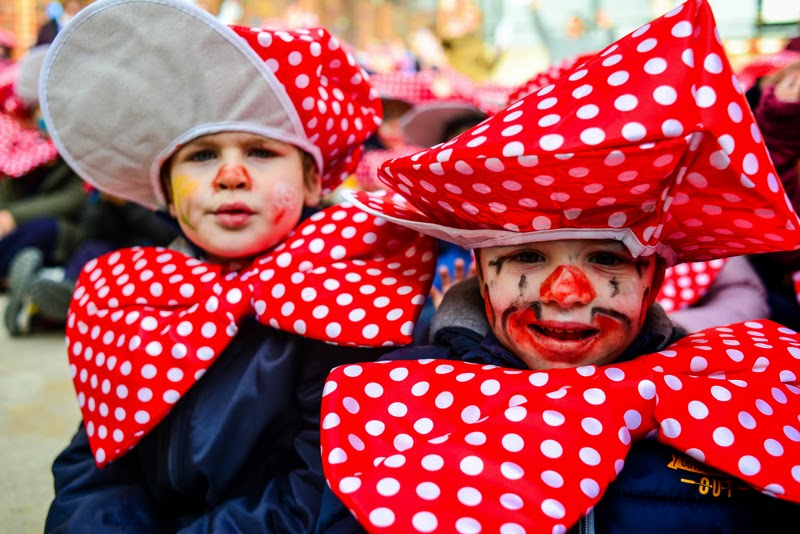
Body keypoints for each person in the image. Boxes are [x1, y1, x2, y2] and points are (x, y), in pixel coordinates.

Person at [316, 1, 800, 532]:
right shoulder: (403, 406)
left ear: (653, 279)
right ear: (482, 273)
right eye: (526, 255)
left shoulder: (729, 395)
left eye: (606, 259)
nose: (566, 292)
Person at [39, 0, 436, 531]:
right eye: (202, 155)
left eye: (261, 152)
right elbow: (98, 463)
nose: (231, 175)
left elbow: (326, 492)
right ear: (167, 192)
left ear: (312, 181)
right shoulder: (138, 302)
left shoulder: (355, 300)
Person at [1, 44, 86, 335]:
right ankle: (26, 287)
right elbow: (7, 191)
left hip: (64, 233)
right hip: (19, 234)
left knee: (43, 229)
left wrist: (13, 215)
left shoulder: (77, 146)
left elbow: (74, 199)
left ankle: (35, 293)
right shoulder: (21, 145)